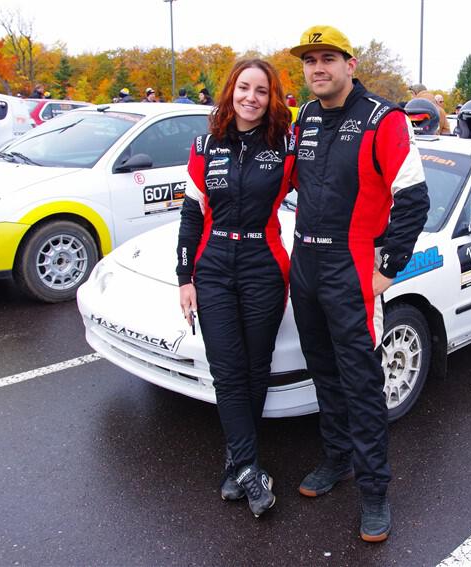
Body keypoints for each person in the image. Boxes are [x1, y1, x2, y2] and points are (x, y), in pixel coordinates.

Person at [288, 25, 429, 543]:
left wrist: (388, 266)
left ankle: (374, 492)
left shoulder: (383, 120)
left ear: (350, 64)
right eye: (309, 60)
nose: (317, 68)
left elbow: (413, 198)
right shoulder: (303, 117)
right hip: (306, 266)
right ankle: (336, 460)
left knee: (363, 384)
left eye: (327, 58)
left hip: (352, 273)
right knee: (322, 371)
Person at [176, 58, 292, 518]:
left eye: (261, 91)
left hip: (264, 263)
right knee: (226, 368)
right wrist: (185, 277)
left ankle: (236, 463)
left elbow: (325, 190)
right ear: (231, 91)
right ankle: (249, 470)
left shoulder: (287, 144)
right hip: (215, 265)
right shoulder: (205, 145)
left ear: (271, 98)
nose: (251, 97)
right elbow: (190, 214)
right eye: (244, 88)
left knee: (254, 367)